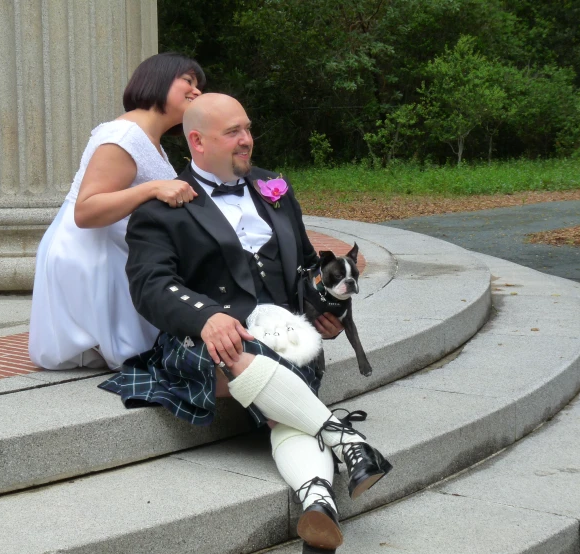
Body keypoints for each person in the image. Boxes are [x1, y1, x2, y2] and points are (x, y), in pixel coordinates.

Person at [99, 94, 393, 553]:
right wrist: (207, 316)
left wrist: (322, 307)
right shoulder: (159, 208)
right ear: (196, 141)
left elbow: (304, 266)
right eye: (233, 132)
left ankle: (319, 506)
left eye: (248, 129)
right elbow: (149, 285)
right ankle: (344, 439)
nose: (247, 140)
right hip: (205, 340)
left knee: (284, 407)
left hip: (286, 336)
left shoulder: (274, 187)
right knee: (238, 351)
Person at [29, 53, 203, 370]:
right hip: (91, 260)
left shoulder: (149, 139)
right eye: (188, 81)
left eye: (199, 86)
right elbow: (86, 211)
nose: (197, 91)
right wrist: (152, 189)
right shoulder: (124, 136)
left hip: (115, 255)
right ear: (158, 79)